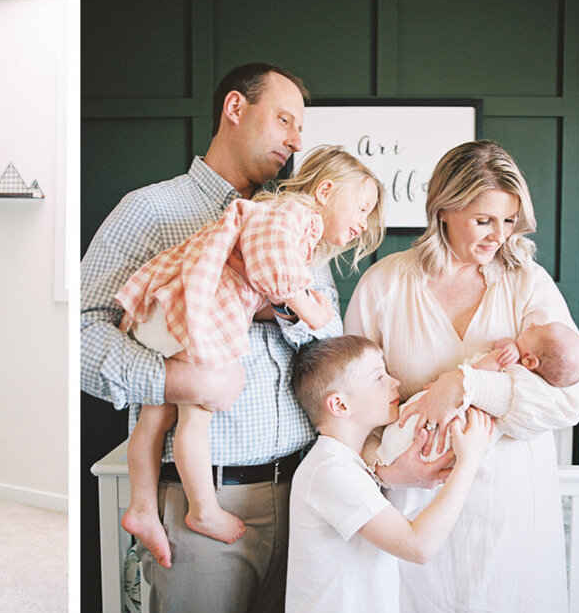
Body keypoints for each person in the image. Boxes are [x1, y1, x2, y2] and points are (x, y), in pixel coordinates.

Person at [80, 62, 362, 613]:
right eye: (283, 119)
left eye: (300, 127)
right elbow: (79, 335)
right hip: (203, 500)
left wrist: (281, 305)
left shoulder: (295, 223)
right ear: (235, 107)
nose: (294, 139)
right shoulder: (150, 212)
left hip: (303, 496)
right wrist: (180, 383)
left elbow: (328, 338)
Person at [344, 140, 579, 613]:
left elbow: (566, 401)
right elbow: (349, 408)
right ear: (443, 209)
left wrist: (466, 384)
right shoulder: (384, 286)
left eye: (508, 220)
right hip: (413, 503)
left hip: (508, 507)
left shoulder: (527, 285)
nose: (499, 236)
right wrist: (384, 466)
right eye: (483, 219)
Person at [116, 146, 384, 559]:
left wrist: (291, 307)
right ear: (326, 190)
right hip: (200, 313)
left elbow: (320, 331)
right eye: (362, 209)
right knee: (198, 410)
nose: (362, 224)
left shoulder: (294, 230)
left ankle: (140, 507)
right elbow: (272, 268)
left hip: (179, 310)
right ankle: (203, 509)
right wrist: (308, 306)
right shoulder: (294, 216)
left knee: (157, 415)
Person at [280, 336, 496, 613]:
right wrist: (469, 460)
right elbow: (418, 546)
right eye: (378, 377)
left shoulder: (345, 465)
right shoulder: (332, 471)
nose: (394, 381)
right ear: (339, 404)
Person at [374, 320, 579, 467]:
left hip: (462, 424)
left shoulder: (520, 376)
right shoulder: (514, 358)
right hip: (454, 425)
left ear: (531, 361)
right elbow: (502, 343)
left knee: (424, 430)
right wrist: (512, 347)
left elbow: (473, 375)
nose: (531, 324)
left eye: (534, 330)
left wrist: (462, 380)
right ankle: (388, 459)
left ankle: (392, 456)